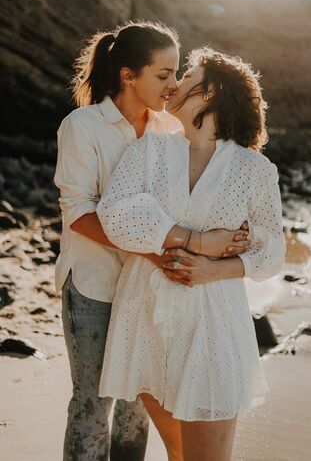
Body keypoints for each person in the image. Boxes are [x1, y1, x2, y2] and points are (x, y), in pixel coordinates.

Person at [54, 23, 250, 460]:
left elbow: (201, 185)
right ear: (128, 75)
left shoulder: (169, 129)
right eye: (163, 75)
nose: (174, 84)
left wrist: (238, 232)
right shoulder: (83, 126)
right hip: (94, 285)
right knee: (91, 406)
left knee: (139, 402)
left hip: (147, 293)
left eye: (177, 73)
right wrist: (165, 252)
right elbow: (80, 215)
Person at [97, 48, 286, 461]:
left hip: (213, 321)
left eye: (186, 76)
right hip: (148, 317)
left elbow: (272, 252)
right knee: (179, 455)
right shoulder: (149, 151)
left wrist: (212, 271)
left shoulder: (254, 170)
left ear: (210, 91)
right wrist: (195, 241)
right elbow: (114, 216)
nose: (175, 84)